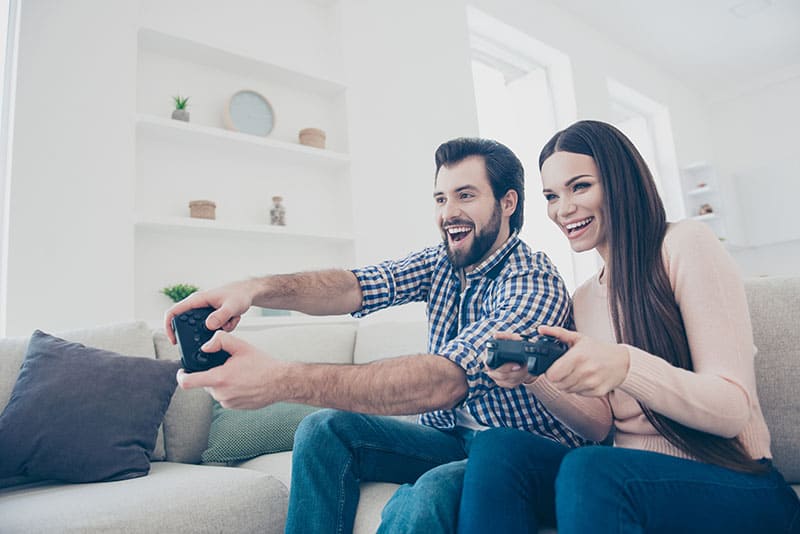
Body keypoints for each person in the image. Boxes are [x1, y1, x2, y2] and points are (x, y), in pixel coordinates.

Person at [164, 137, 605, 534]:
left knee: (430, 492)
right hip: (450, 438)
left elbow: (447, 380)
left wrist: (279, 380)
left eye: (465, 196)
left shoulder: (533, 279)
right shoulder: (442, 263)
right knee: (323, 430)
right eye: (440, 198)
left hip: (517, 455)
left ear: (508, 203)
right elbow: (358, 284)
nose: (448, 212)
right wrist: (254, 288)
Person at [457, 120, 800, 533]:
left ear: (619, 180)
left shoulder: (685, 245)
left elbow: (731, 409)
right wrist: (536, 377)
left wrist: (625, 366)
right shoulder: (584, 297)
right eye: (551, 195)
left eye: (579, 187)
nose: (562, 209)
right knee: (498, 447)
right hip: (635, 480)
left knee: (591, 470)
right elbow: (601, 424)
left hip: (739, 483)